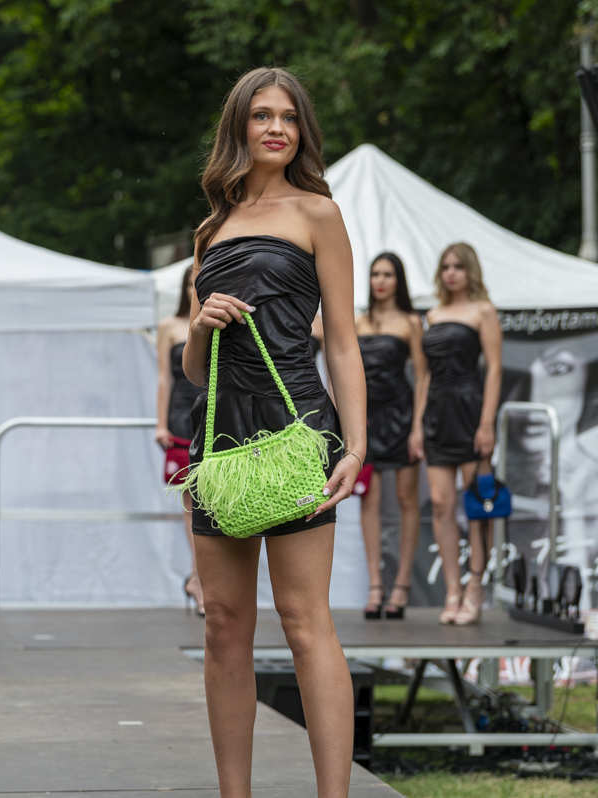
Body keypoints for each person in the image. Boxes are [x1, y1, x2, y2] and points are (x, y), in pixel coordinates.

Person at [181, 67, 366, 798]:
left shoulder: (319, 213)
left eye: (289, 117)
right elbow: (195, 369)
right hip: (220, 437)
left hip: (297, 427)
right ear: (240, 126)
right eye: (262, 115)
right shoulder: (211, 228)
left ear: (302, 131)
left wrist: (356, 446)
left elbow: (342, 342)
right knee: (224, 622)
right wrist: (200, 325)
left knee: (303, 617)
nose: (277, 128)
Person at [411, 242, 501, 625]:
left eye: (458, 267)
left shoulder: (484, 311)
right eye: (446, 266)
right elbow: (423, 377)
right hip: (436, 413)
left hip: (469, 411)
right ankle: (452, 590)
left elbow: (494, 369)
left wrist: (486, 423)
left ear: (470, 271)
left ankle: (475, 586)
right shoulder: (432, 315)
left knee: (476, 508)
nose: (451, 273)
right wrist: (417, 426)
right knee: (440, 504)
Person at [356, 252, 426, 620]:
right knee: (369, 500)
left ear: (398, 280)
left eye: (387, 274)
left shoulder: (411, 322)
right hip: (367, 418)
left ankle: (401, 584)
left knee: (405, 499)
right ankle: (374, 585)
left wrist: (418, 426)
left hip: (400, 414)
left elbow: (423, 377)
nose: (380, 281)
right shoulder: (359, 321)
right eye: (375, 274)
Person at [155, 265, 204, 614]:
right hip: (180, 419)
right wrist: (161, 424)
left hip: (213, 414)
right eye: (189, 283)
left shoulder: (218, 321)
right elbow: (164, 379)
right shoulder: (169, 327)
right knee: (190, 504)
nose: (194, 289)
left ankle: (202, 578)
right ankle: (198, 579)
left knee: (212, 502)